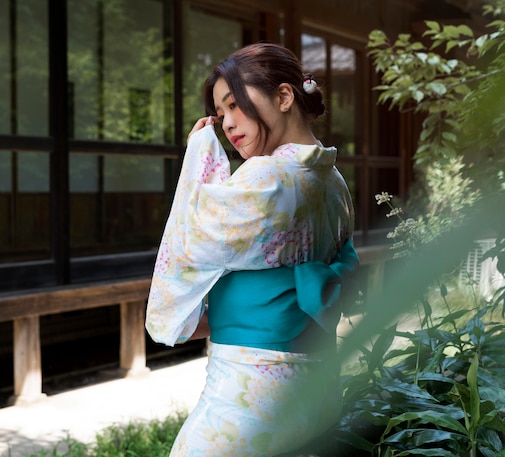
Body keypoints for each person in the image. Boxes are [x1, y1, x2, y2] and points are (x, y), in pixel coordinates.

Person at [145, 42, 358, 457]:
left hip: (255, 384)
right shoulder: (335, 183)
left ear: (283, 97)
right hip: (318, 381)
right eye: (221, 113)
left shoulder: (267, 175)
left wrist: (199, 157)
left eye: (235, 105)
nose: (226, 123)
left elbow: (188, 243)